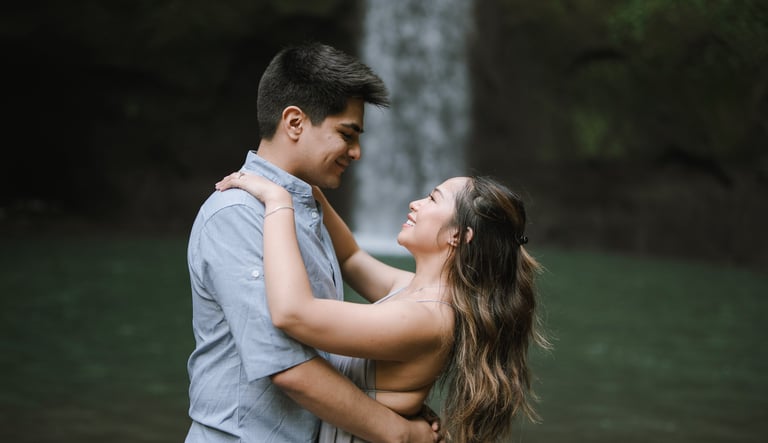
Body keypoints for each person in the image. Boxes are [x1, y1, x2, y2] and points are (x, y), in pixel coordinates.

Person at [185, 42, 440, 442]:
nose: (357, 153)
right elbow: (288, 367)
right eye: (347, 134)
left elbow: (327, 334)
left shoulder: (302, 205)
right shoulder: (237, 214)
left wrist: (397, 401)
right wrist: (401, 433)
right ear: (294, 122)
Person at [215, 171, 551, 443]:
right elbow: (351, 257)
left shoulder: (425, 317)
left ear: (459, 236)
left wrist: (278, 202)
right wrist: (307, 186)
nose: (415, 203)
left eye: (433, 198)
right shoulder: (413, 289)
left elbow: (293, 313)